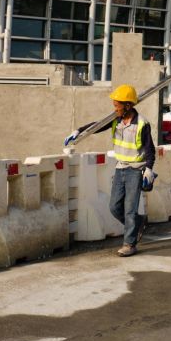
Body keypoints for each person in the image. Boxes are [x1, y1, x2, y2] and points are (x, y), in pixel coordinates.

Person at [65, 84, 155, 257]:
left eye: (117, 105)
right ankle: (137, 223)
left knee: (130, 209)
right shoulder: (116, 119)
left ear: (127, 105)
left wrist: (148, 170)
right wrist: (79, 131)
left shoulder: (142, 124)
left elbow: (150, 151)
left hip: (136, 170)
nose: (114, 108)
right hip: (120, 168)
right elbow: (98, 126)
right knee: (114, 207)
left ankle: (129, 244)